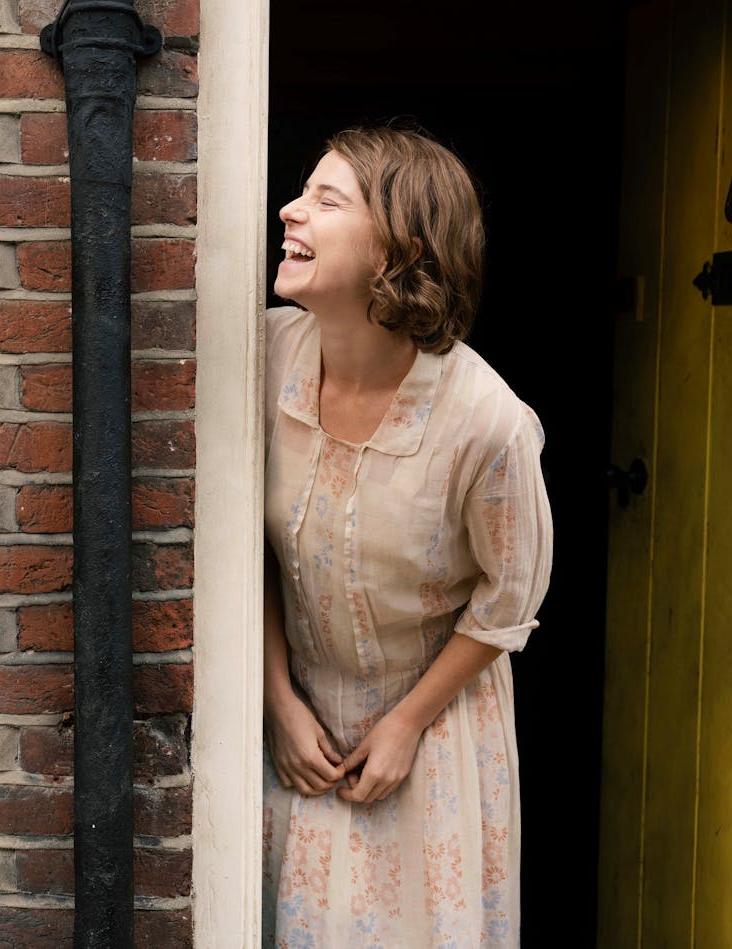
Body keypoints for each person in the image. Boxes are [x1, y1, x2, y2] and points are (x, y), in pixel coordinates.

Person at [261, 125, 552, 946]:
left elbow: (506, 603)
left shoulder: (486, 421)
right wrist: (276, 697)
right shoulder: (266, 356)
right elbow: (240, 550)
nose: (289, 211)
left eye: (326, 200)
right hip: (299, 726)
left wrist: (405, 723)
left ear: (401, 248)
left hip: (433, 729)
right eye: (301, 191)